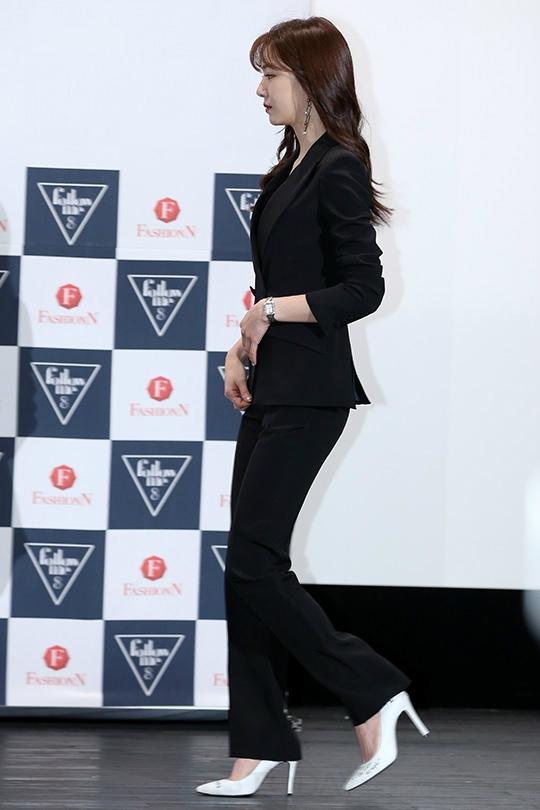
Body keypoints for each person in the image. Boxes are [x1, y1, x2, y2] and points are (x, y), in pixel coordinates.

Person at [196, 15, 429, 798]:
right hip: (274, 385)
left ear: (312, 79)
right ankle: (257, 746)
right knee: (247, 568)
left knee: (253, 562)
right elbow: (274, 290)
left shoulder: (337, 166)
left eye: (272, 73)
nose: (260, 89)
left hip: (313, 392)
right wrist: (243, 344)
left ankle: (373, 688)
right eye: (260, 74)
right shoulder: (289, 169)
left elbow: (364, 288)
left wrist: (269, 312)